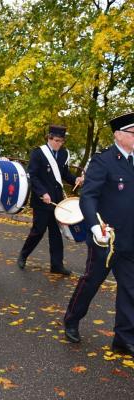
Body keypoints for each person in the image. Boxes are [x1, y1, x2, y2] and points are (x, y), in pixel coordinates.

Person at [64, 112, 134, 352]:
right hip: (106, 238)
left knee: (130, 288)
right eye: (133, 132)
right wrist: (95, 226)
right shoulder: (103, 161)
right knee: (91, 282)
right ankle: (72, 320)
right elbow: (89, 197)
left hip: (130, 239)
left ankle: (123, 338)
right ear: (119, 135)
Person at [17, 125, 83, 275]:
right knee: (38, 231)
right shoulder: (38, 153)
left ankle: (56, 265)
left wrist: (76, 180)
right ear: (49, 138)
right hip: (42, 200)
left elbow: (64, 174)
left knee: (56, 233)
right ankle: (23, 255)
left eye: (62, 141)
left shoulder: (64, 153)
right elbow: (32, 176)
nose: (59, 144)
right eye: (57, 141)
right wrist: (42, 193)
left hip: (57, 201)